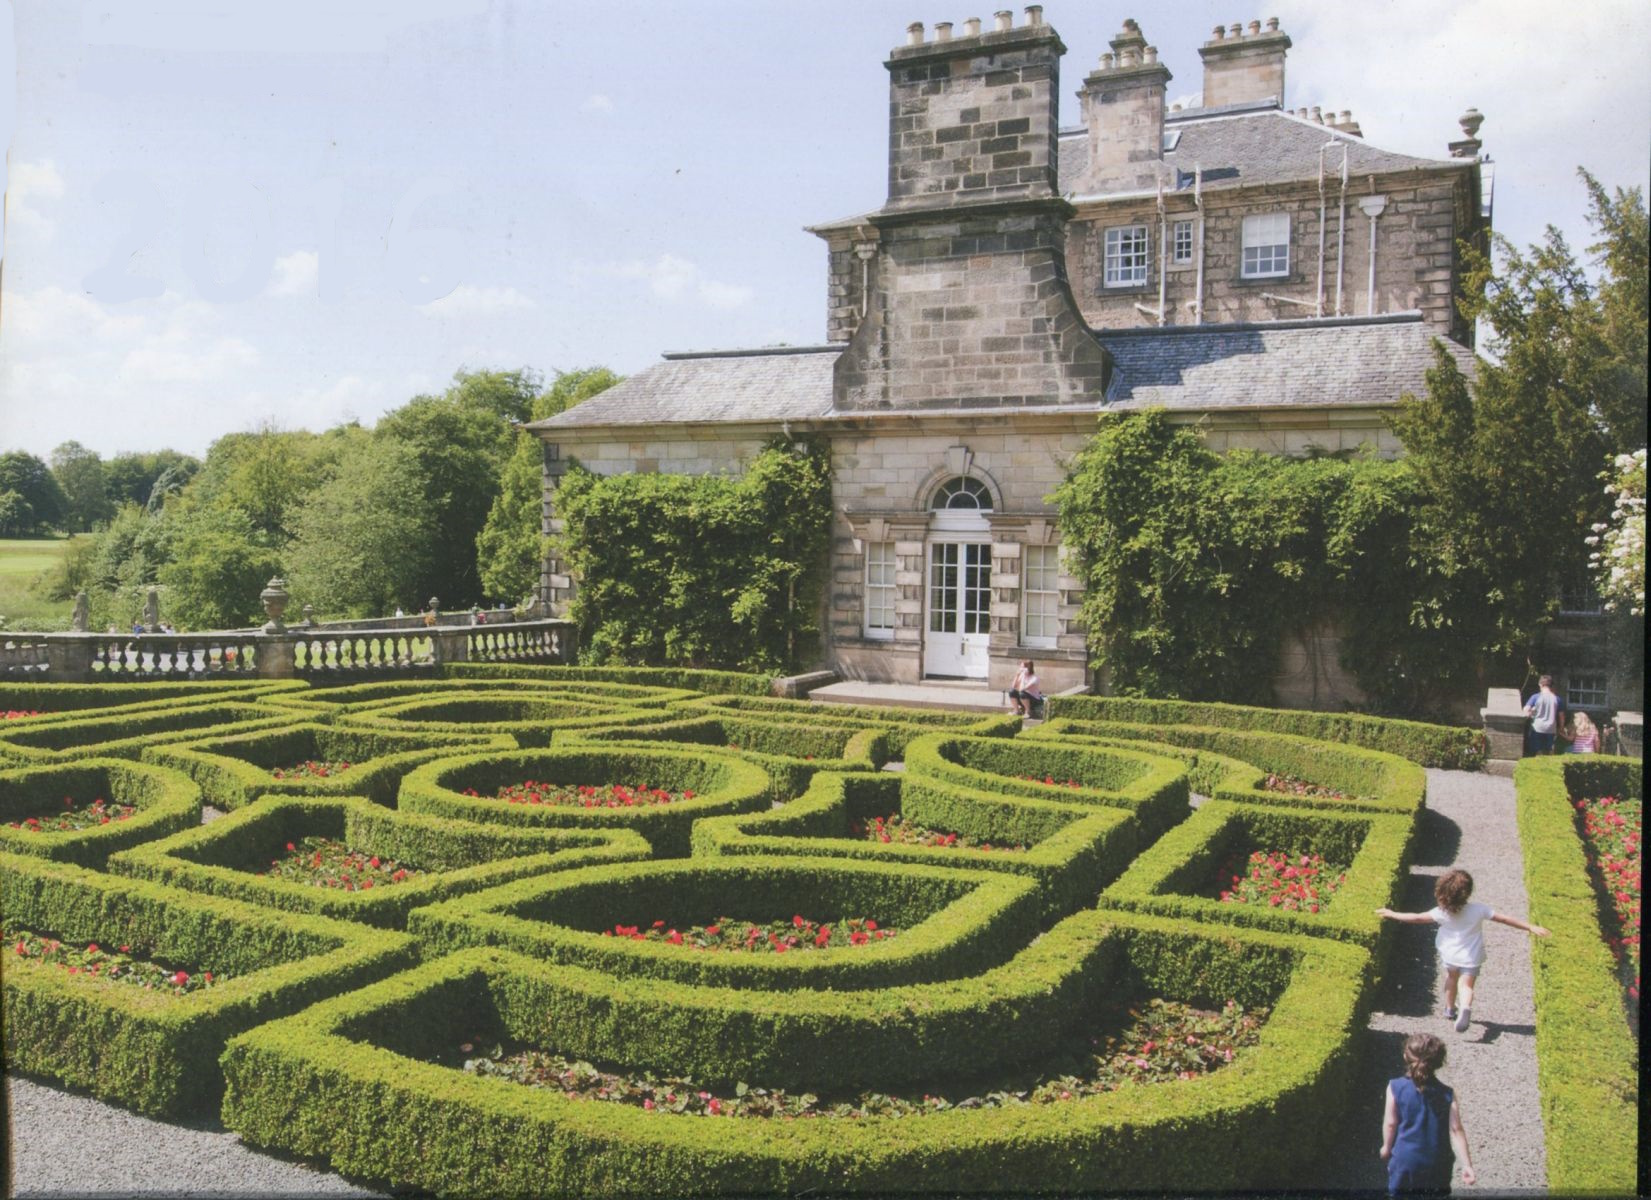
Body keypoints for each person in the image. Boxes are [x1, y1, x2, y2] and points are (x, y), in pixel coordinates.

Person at [1376, 869, 1550, 1033]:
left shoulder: (1441, 913)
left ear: (1442, 893)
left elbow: (1416, 917)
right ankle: (1465, 1006)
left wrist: (1392, 914)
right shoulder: (1479, 909)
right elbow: (1504, 919)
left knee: (1451, 979)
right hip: (1472, 956)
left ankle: (1450, 1009)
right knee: (1466, 985)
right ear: (1467, 892)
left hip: (1451, 955)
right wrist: (1530, 926)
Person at [1379, 1033, 1476, 1193]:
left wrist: (1386, 1147)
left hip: (1405, 1159)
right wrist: (1467, 1165)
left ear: (1405, 1056)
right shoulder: (1447, 1093)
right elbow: (1456, 1129)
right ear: (1439, 1063)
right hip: (1438, 1161)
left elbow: (1390, 1123)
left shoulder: (1395, 1087)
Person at [1522, 675, 1565, 754]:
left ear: (1540, 684)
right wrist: (1561, 728)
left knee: (1534, 752)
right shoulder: (1557, 699)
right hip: (1551, 729)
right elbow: (1561, 716)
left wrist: (1531, 712)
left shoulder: (1535, 697)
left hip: (1537, 728)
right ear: (1551, 685)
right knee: (1548, 752)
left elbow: (1526, 710)